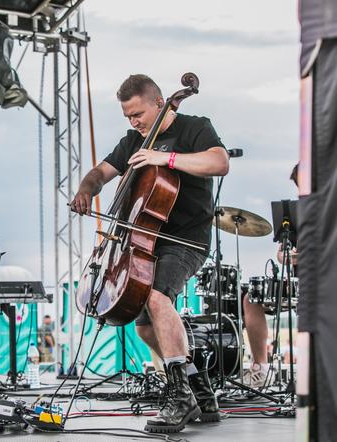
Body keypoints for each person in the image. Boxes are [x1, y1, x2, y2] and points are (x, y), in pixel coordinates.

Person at [70, 74, 229, 433]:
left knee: (158, 299)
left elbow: (219, 163)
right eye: (127, 117)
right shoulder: (132, 142)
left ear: (160, 103)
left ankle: (180, 395)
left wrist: (165, 158)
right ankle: (196, 382)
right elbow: (100, 173)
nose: (134, 123)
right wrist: (85, 189)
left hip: (186, 240)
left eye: (138, 114)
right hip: (143, 240)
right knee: (143, 327)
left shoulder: (194, 128)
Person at [243, 165, 298, 388]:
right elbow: (282, 252)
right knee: (251, 298)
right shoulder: (294, 213)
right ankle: (261, 369)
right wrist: (285, 255)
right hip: (297, 280)